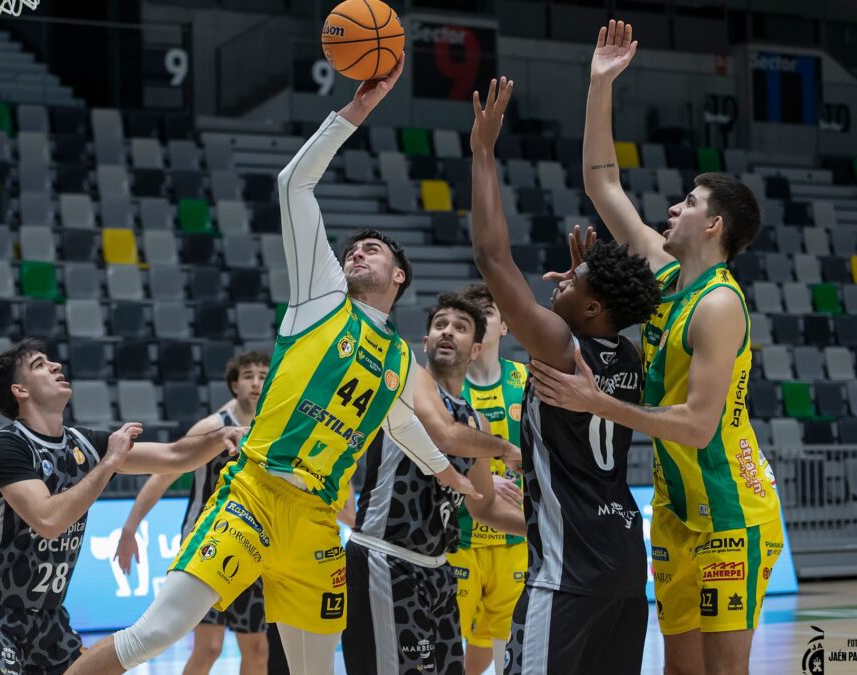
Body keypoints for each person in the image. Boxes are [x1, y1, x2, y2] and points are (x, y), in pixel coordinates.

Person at [66, 55, 514, 675]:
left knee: (312, 670)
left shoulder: (395, 358)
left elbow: (399, 423)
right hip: (254, 491)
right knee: (156, 633)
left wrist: (449, 474)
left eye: (373, 249)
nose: (357, 251)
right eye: (353, 247)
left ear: (399, 276)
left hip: (316, 519)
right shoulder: (323, 295)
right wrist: (357, 109)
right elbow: (292, 184)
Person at [527, 21, 783, 675]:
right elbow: (602, 181)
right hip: (672, 510)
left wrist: (595, 400)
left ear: (714, 225)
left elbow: (698, 426)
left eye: (688, 202)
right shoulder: (666, 275)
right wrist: (599, 84)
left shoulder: (719, 304)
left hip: (729, 510)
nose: (672, 208)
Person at [470, 75, 661, 674]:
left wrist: (482, 152)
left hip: (567, 565)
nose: (561, 279)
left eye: (574, 283)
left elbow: (493, 259)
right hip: (624, 561)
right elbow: (593, 315)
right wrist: (588, 284)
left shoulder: (559, 344)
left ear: (594, 309)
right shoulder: (626, 353)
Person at [0, 339, 244, 675]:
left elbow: (175, 456)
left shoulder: (84, 443)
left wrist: (220, 437)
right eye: (41, 365)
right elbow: (48, 520)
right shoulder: (8, 447)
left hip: (49, 618)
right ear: (20, 390)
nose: (56, 366)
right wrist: (109, 463)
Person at [342, 290, 527, 675]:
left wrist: (546, 526)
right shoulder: (406, 377)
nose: (447, 332)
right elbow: (443, 434)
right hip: (384, 559)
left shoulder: (475, 421)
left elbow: (484, 505)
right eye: (439, 325)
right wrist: (505, 449)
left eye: (460, 328)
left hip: (437, 569)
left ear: (476, 349)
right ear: (425, 342)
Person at [114, 351, 272, 675]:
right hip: (206, 543)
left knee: (257, 650)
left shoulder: (272, 427)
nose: (256, 383)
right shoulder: (214, 426)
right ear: (233, 383)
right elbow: (164, 473)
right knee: (209, 647)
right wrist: (130, 528)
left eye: (263, 376)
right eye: (248, 376)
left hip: (252, 546)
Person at [446, 284, 529, 675]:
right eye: (471, 313)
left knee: (508, 655)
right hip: (456, 536)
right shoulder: (444, 386)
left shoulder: (528, 382)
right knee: (444, 648)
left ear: (505, 326)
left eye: (488, 312)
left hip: (514, 539)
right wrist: (478, 478)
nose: (480, 319)